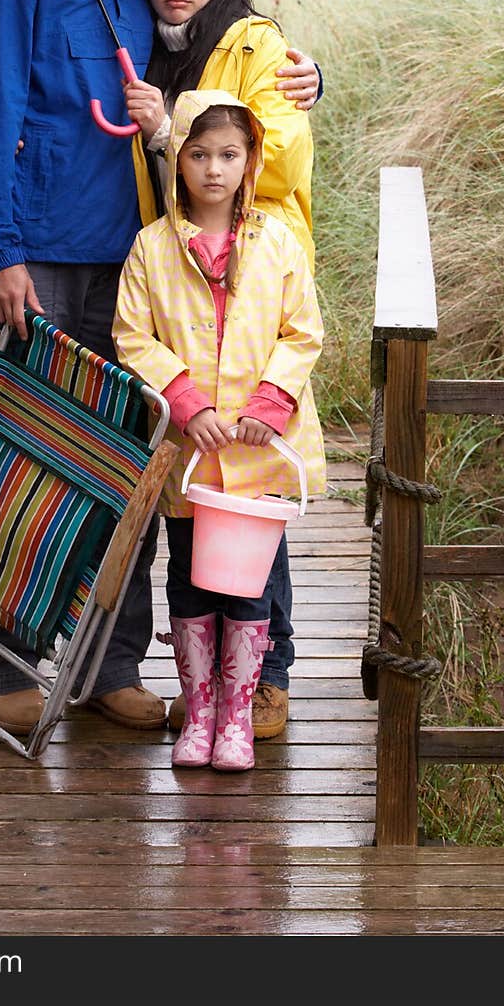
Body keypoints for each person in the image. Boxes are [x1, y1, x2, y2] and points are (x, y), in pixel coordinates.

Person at [0, 0, 321, 737]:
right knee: (24, 461)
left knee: (138, 471)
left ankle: (110, 661)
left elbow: (217, 79)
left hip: (138, 266)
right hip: (36, 264)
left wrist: (306, 77)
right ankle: (1, 663)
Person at [121, 0, 318, 739]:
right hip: (174, 283)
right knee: (200, 511)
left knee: (254, 506)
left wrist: (172, 132)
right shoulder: (145, 42)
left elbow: (279, 142)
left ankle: (265, 680)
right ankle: (207, 698)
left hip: (255, 280)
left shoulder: (254, 43)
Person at [112, 90, 326, 770]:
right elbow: (132, 336)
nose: (213, 169)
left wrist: (270, 404)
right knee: (189, 579)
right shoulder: (150, 249)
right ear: (177, 162)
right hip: (191, 453)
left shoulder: (279, 244)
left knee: (249, 583)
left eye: (229, 155)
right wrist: (184, 400)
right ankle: (197, 712)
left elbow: (303, 333)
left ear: (251, 160)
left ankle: (238, 713)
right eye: (198, 155)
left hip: (261, 452)